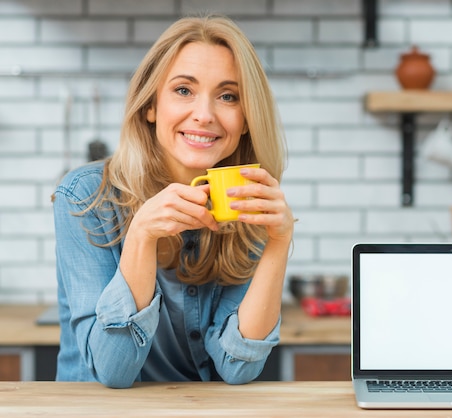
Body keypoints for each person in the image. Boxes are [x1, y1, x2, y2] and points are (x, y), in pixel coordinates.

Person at [52, 14, 294, 389]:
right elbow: (112, 371)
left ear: (246, 118)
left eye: (228, 96)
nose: (204, 114)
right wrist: (141, 236)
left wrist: (279, 242)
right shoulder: (85, 197)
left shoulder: (247, 200)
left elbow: (237, 368)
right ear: (150, 106)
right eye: (184, 90)